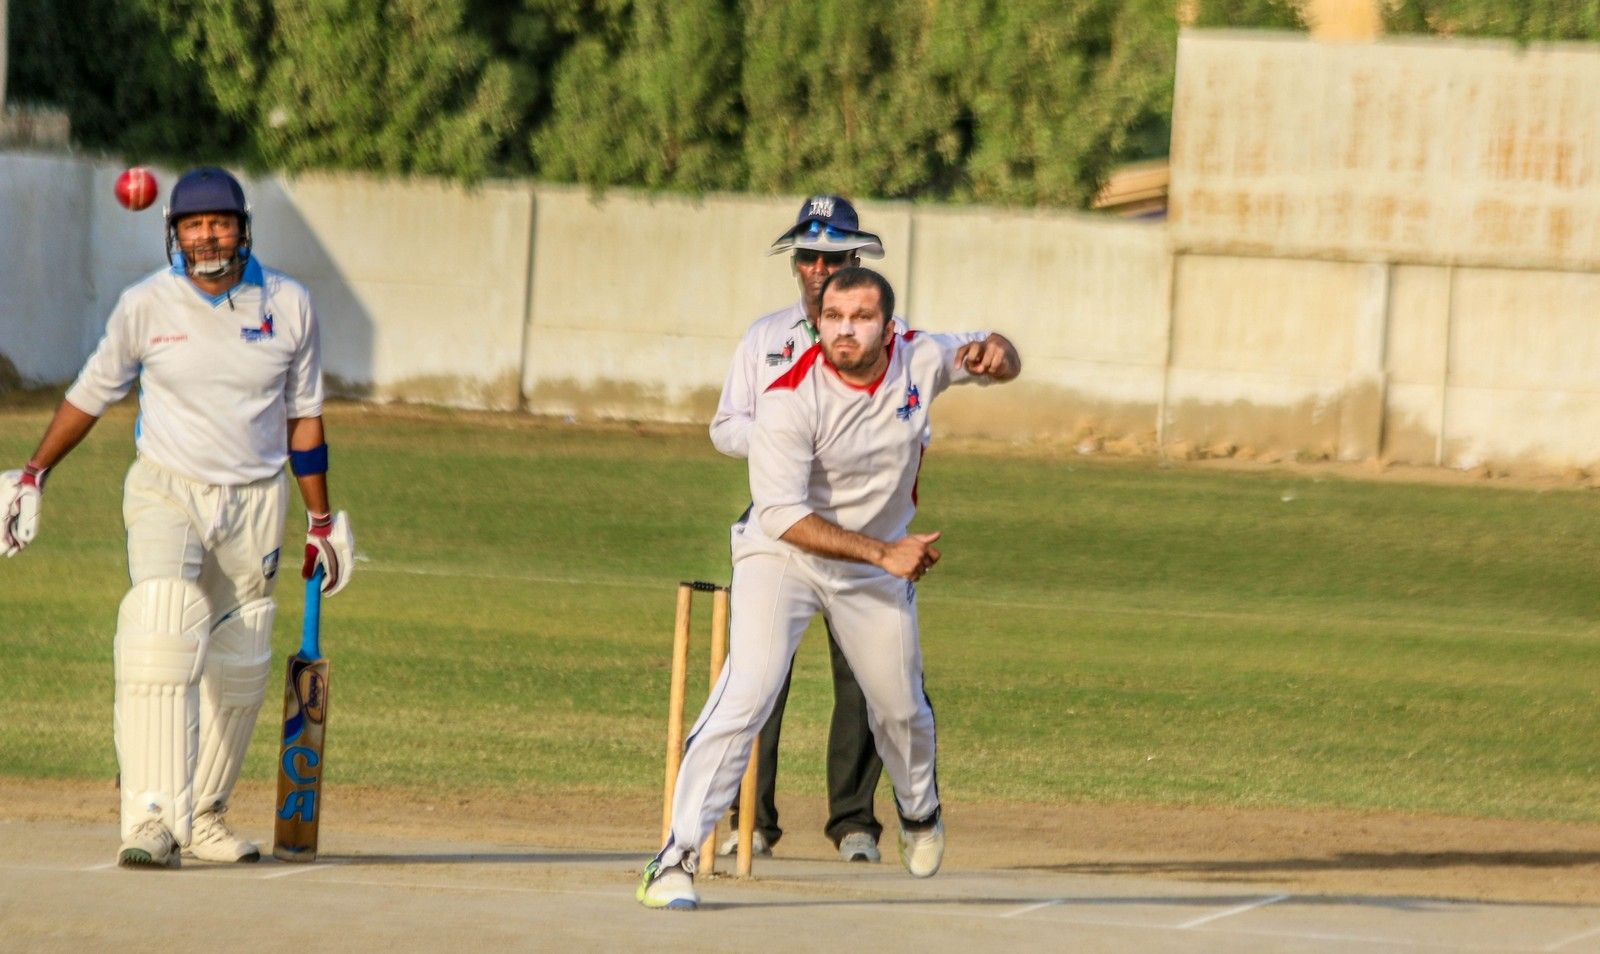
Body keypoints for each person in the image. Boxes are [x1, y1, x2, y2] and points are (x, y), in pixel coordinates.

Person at [0, 167, 355, 869]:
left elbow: (304, 417)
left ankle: (206, 814)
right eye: (194, 226)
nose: (207, 236)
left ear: (243, 228)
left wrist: (320, 521)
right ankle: (154, 818)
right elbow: (91, 394)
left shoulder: (288, 304)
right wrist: (35, 471)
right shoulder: (145, 305)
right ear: (175, 234)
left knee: (243, 653)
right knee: (162, 626)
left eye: (220, 223)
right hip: (167, 488)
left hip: (256, 498)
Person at [640, 267, 1021, 909]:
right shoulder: (789, 397)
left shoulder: (920, 357)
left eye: (862, 317)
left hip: (873, 568)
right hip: (784, 553)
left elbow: (993, 355)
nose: (846, 329)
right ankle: (675, 857)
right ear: (819, 323)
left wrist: (1001, 354)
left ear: (889, 329)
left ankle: (919, 811)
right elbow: (783, 516)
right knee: (747, 692)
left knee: (900, 708)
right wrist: (885, 552)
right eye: (834, 317)